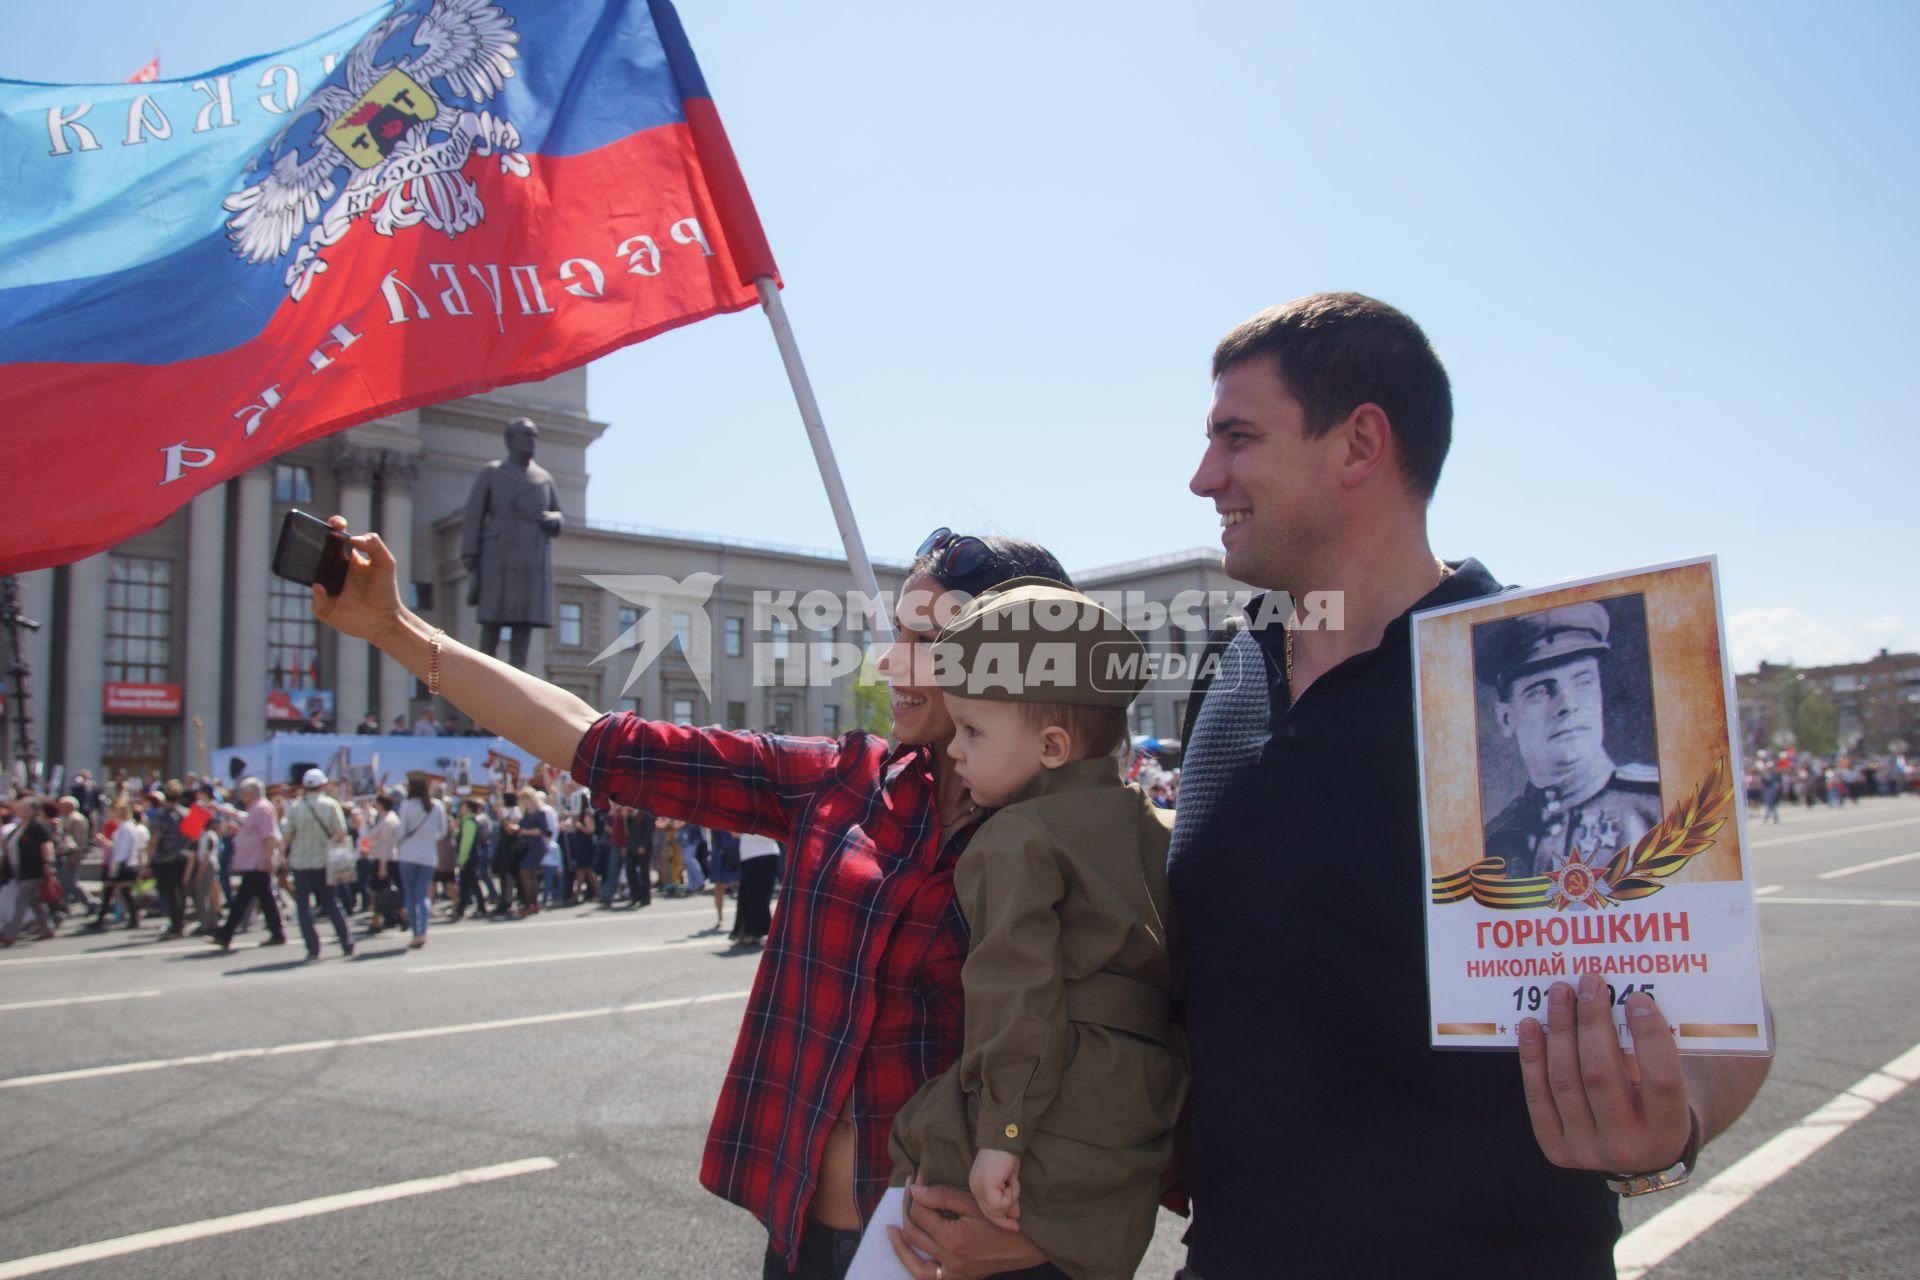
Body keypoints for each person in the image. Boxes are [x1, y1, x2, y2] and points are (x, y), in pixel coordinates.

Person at [1171, 292, 1772, 1278]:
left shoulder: (1508, 669)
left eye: (1236, 438)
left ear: (1359, 443)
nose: (1204, 477)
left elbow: (1729, 1004)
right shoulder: (1228, 672)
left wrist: (1676, 1117)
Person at [310, 515, 1076, 1278]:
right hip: (809, 1247)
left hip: (981, 1261)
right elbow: (597, 740)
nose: (891, 661)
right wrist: (394, 627)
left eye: (926, 641)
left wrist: (1048, 1234)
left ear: (1009, 665)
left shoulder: (1077, 842)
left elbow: (1143, 1072)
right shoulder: (843, 780)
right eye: (897, 633)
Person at [847, 581, 1185, 1280]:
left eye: (973, 732)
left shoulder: (1015, 838)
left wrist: (1001, 1132)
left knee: (920, 1143)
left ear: (1053, 745)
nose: (956, 752)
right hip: (1143, 1096)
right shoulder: (1155, 826)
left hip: (1049, 1094)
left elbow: (1016, 991)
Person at [1476, 604, 1663, 880]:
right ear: (1505, 718)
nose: (1568, 705)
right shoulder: (1497, 841)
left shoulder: (1660, 806)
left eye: (1583, 681)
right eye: (1540, 691)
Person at [461, 415, 563, 670]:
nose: (532, 441)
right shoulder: (492, 472)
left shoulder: (544, 478)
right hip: (498, 555)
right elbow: (474, 514)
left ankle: (519, 677)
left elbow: (558, 512)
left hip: (531, 556)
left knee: (523, 625)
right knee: (491, 622)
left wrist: (554, 519)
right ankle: (485, 674)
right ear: (510, 440)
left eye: (534, 436)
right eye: (526, 435)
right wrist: (470, 554)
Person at [282, 768, 356, 961]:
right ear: (322, 785)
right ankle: (346, 942)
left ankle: (312, 948)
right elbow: (341, 832)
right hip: (325, 862)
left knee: (303, 907)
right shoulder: (331, 805)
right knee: (331, 903)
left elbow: (288, 836)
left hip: (301, 862)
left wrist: (282, 855)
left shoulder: (296, 808)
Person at [210, 778, 287, 952]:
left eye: (245, 792)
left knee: (243, 899)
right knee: (266, 899)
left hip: (258, 862)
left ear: (253, 792)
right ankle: (277, 932)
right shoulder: (256, 809)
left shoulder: (263, 808)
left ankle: (225, 933)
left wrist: (268, 858)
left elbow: (269, 836)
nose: (242, 796)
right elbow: (245, 820)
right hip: (255, 862)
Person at [393, 776, 449, 949]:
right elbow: (442, 831)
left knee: (410, 895)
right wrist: (428, 839)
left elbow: (401, 831)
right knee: (422, 895)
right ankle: (423, 931)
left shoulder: (407, 806)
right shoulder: (436, 806)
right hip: (428, 855)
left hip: (408, 854)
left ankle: (415, 931)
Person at [0, 798, 58, 945]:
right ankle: (47, 928)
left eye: (22, 808)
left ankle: (9, 933)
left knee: (21, 902)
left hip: (34, 869)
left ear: (31, 810)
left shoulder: (37, 826)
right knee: (34, 901)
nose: (19, 811)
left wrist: (47, 864)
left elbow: (46, 845)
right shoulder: (20, 826)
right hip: (21, 870)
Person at [87, 799, 143, 930]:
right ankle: (106, 918)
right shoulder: (125, 827)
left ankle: (130, 919)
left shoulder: (126, 828)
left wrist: (115, 866)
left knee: (119, 891)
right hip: (122, 862)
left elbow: (122, 850)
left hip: (123, 864)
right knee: (119, 892)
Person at [733, 829, 777, 944]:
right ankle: (761, 931)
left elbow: (734, 832)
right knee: (763, 896)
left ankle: (753, 931)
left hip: (750, 854)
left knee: (750, 896)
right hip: (769, 852)